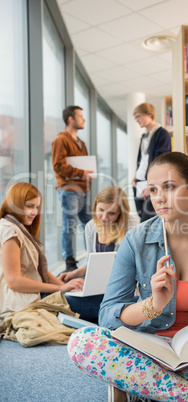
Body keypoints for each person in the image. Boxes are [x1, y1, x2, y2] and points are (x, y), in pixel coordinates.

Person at [68, 152, 188, 402]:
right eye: (152, 190)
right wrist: (153, 305)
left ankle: (143, 386)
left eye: (170, 187)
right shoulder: (136, 240)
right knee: (82, 342)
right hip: (146, 350)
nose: (159, 198)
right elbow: (108, 316)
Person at [0, 182, 100, 322]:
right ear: (15, 203)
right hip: (28, 302)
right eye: (29, 206)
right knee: (103, 302)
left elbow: (39, 271)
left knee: (98, 298)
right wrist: (59, 288)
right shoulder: (10, 230)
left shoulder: (19, 228)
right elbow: (14, 281)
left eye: (36, 207)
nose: (34, 212)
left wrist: (65, 287)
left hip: (38, 295)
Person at [59, 186, 137, 283]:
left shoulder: (131, 227)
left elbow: (135, 266)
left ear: (120, 213)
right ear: (95, 205)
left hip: (122, 283)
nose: (104, 217)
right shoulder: (91, 226)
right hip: (98, 283)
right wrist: (73, 274)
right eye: (101, 210)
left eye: (111, 213)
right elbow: (90, 264)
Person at [52, 105, 93, 273]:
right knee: (70, 226)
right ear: (71, 119)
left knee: (90, 225)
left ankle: (91, 256)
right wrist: (81, 173)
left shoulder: (81, 143)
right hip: (69, 189)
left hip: (84, 189)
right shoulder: (60, 140)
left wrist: (87, 174)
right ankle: (69, 262)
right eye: (80, 116)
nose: (83, 119)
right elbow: (58, 166)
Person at [131, 102, 171, 222]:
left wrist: (152, 186)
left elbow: (160, 163)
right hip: (138, 183)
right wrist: (134, 177)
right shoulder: (144, 137)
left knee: (147, 221)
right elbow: (141, 161)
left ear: (149, 115)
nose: (137, 120)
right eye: (135, 118)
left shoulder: (162, 134)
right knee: (141, 218)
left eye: (138, 116)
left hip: (149, 184)